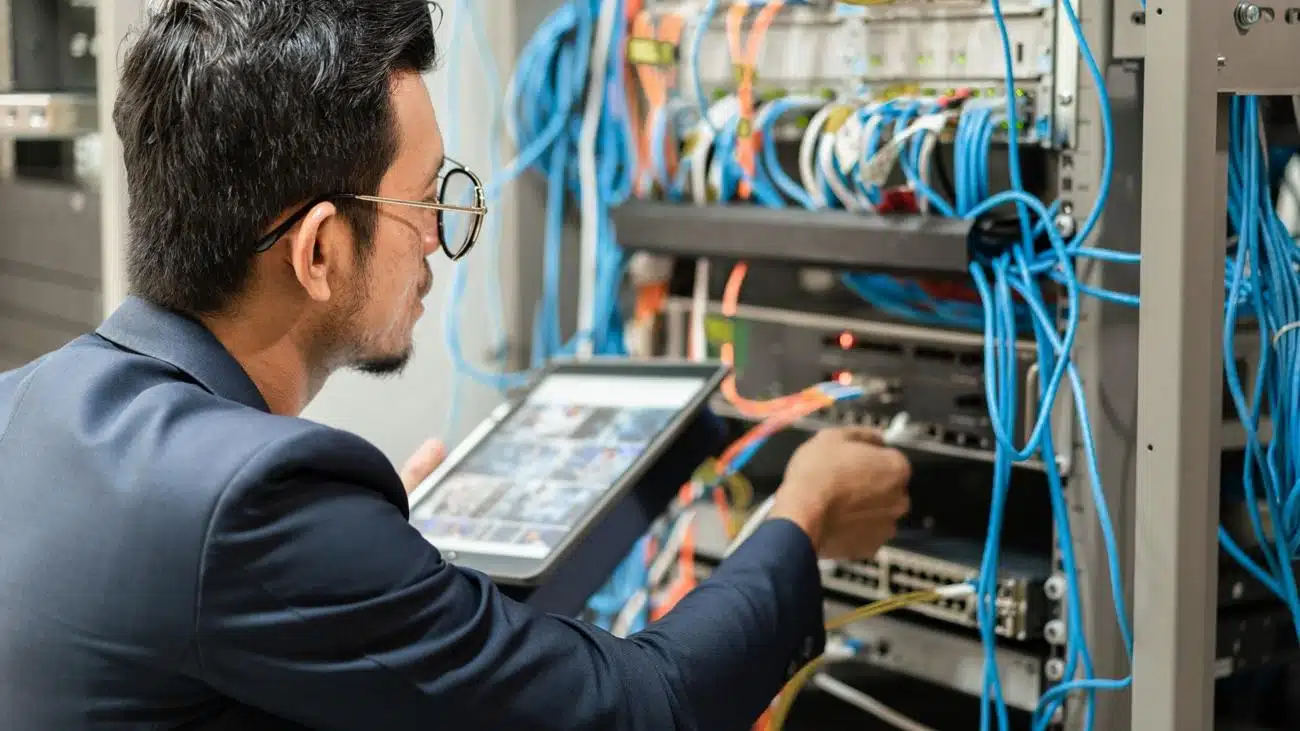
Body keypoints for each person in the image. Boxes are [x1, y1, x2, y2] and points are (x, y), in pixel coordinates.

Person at [0, 2, 912, 729]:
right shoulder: (258, 505)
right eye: (426, 200)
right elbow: (646, 706)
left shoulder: (30, 400)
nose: (439, 234)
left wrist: (364, 559)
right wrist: (804, 515)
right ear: (318, 252)